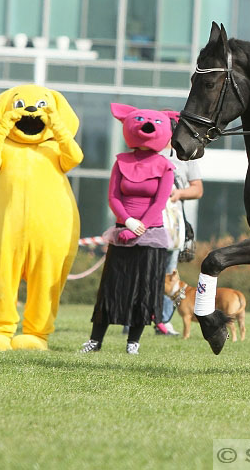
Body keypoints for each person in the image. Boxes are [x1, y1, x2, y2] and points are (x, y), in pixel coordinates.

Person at [81, 104, 176, 354]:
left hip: (151, 237)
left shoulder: (166, 166)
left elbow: (160, 201)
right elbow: (113, 197)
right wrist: (127, 221)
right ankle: (95, 341)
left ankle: (133, 342)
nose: (147, 126)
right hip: (122, 232)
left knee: (143, 292)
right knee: (112, 287)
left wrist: (139, 227)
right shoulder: (120, 162)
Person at [157, 130, 203, 336]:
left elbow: (197, 189)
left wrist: (178, 193)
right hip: (151, 218)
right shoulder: (148, 151)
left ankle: (164, 321)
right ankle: (135, 319)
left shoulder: (185, 154)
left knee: (170, 269)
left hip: (175, 218)